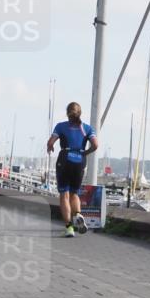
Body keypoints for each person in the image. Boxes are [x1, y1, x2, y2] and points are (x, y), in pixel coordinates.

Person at [47, 102, 98, 238]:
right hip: (80, 160)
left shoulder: (61, 126)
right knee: (74, 193)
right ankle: (78, 215)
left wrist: (49, 147)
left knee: (64, 194)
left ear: (67, 112)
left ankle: (69, 228)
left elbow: (51, 142)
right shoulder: (87, 128)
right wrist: (85, 153)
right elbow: (95, 145)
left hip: (65, 158)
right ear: (80, 113)